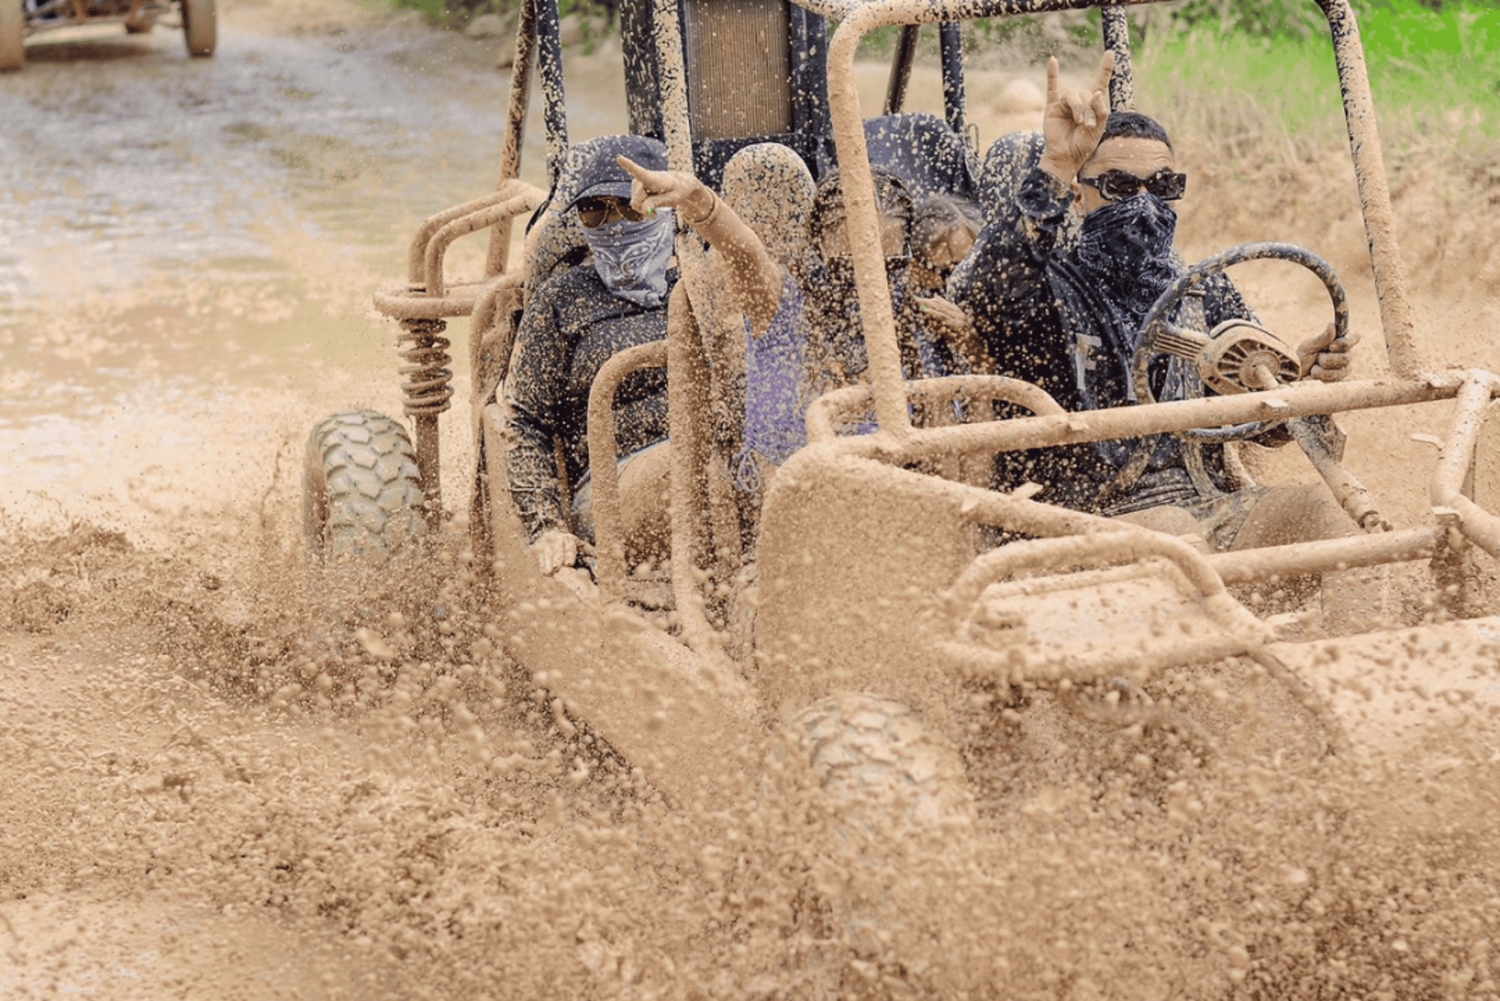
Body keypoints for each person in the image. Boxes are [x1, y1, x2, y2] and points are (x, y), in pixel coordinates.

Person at [949, 53, 1363, 565]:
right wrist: (1057, 164)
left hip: (1209, 509)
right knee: (1170, 535)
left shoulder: (1199, 289)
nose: (1145, 205)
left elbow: (1261, 423)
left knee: (1328, 515)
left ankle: (1379, 645)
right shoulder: (1041, 287)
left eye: (1163, 187)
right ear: (1078, 196)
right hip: (1073, 522)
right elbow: (986, 290)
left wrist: (1302, 384)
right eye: (1121, 187)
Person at [505, 136, 786, 576]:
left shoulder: (702, 281)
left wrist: (698, 200)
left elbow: (755, 270)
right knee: (688, 474)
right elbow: (523, 423)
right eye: (594, 210)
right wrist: (547, 526)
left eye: (631, 207)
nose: (613, 222)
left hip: (726, 464)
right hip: (615, 485)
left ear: (664, 207)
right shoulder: (561, 300)